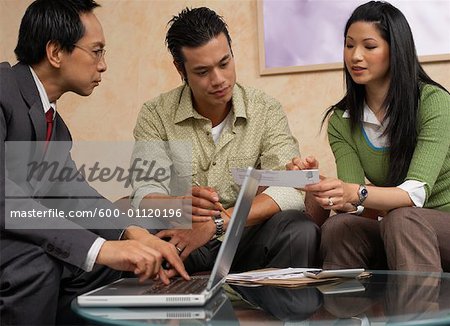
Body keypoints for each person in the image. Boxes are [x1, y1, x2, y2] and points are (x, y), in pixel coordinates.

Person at [0, 1, 188, 324]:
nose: (103, 66)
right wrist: (101, 248)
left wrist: (131, 233)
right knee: (38, 263)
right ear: (56, 52)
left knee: (110, 260)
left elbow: (73, 195)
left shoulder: (54, 126)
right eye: (96, 51)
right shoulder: (2, 91)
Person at [131, 7, 320, 274]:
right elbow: (144, 193)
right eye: (202, 71)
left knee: (298, 229)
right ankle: (162, 312)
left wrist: (218, 223)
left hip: (245, 237)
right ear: (180, 69)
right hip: (181, 237)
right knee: (139, 229)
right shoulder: (156, 114)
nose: (219, 80)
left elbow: (290, 189)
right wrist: (180, 204)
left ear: (232, 52)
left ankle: (287, 314)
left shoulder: (265, 109)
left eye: (224, 63)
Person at [288, 1, 450, 272]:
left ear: (395, 50)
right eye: (349, 45)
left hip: (440, 222)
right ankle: (345, 314)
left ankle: (420, 314)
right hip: (397, 225)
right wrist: (324, 188)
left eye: (369, 46)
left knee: (403, 219)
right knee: (340, 226)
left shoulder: (434, 102)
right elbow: (355, 205)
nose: (355, 56)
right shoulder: (341, 121)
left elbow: (415, 194)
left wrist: (356, 192)